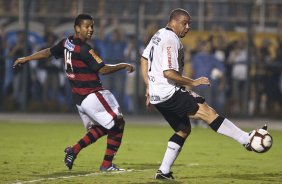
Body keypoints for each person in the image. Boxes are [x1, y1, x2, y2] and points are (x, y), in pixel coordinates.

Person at [140, 8, 266, 180]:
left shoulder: (159, 34)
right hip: (168, 92)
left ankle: (164, 171)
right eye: (185, 23)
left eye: (189, 23)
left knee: (183, 129)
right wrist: (193, 82)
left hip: (158, 95)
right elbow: (168, 73)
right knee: (208, 113)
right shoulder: (170, 39)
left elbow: (144, 58)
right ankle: (246, 139)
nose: (188, 27)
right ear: (173, 22)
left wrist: (148, 86)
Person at [13, 14, 134, 171]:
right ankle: (106, 165)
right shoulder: (85, 49)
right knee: (118, 123)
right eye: (86, 26)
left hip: (79, 99)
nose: (90, 30)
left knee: (105, 127)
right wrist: (123, 65)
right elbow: (103, 69)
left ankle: (74, 150)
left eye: (92, 26)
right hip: (92, 93)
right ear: (77, 28)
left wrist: (26, 58)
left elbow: (48, 52)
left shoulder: (66, 42)